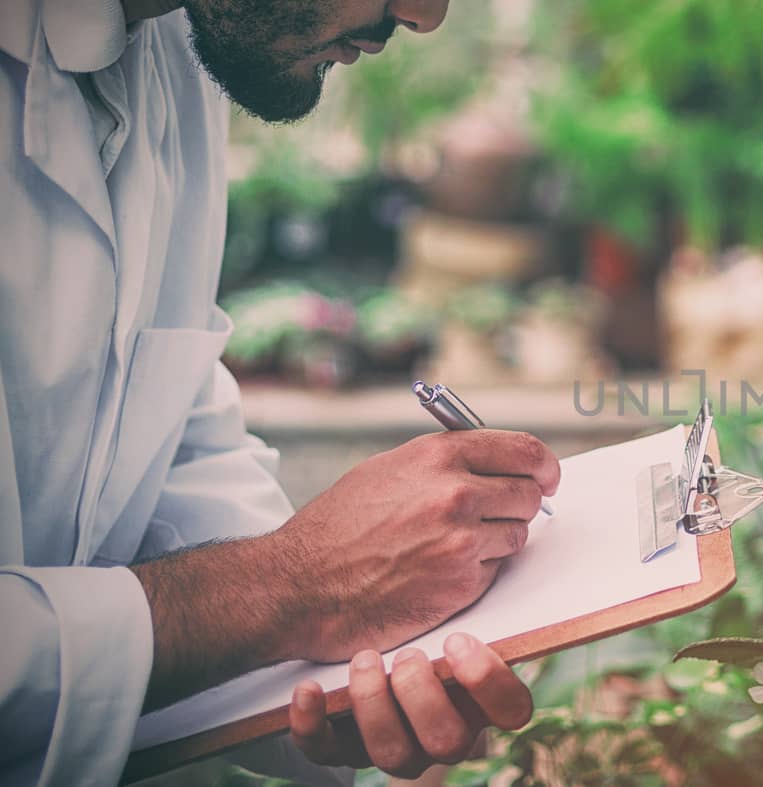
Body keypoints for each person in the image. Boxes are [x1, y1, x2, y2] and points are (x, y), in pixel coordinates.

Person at [0, 0, 561, 783]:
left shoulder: (171, 57)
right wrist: (292, 587)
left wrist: (346, 660)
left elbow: (170, 449)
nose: (425, 16)